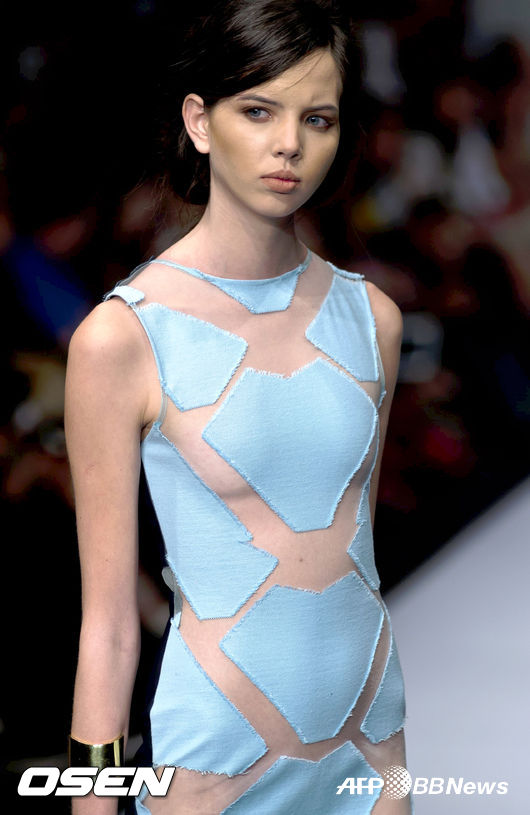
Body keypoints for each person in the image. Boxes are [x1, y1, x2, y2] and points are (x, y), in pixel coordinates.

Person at [64, 1, 412, 813]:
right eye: (258, 111)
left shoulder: (374, 321)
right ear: (200, 121)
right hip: (216, 766)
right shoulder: (123, 338)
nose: (289, 143)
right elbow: (109, 627)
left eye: (317, 118)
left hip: (376, 752)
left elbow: (356, 563)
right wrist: (92, 801)